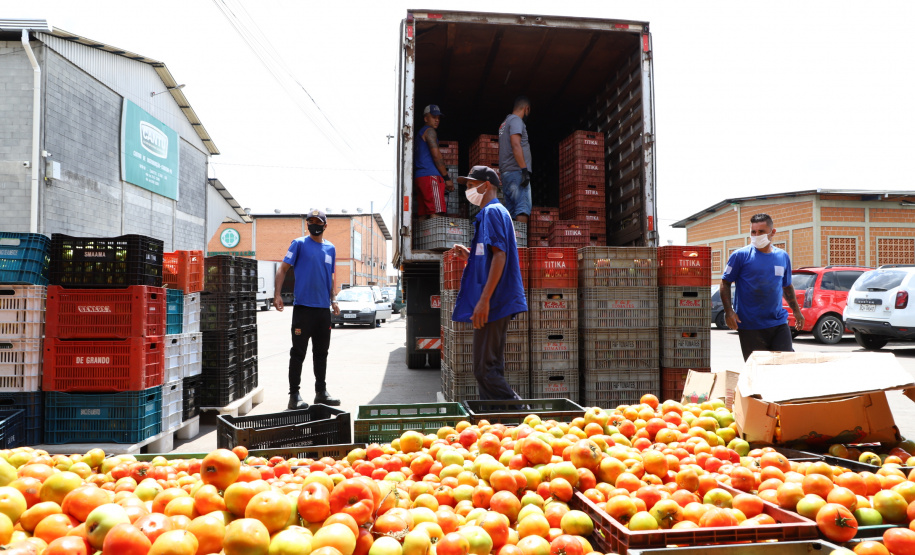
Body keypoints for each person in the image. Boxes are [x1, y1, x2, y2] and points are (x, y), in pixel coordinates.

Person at [450, 166, 528, 400]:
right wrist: (469, 256)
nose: (468, 190)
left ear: (486, 185)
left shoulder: (493, 212)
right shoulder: (492, 213)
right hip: (495, 299)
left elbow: (500, 256)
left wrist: (484, 301)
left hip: (495, 300)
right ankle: (494, 418)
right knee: (487, 368)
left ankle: (522, 414)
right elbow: (491, 255)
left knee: (486, 370)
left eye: (471, 185)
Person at [274, 210, 342, 409]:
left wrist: (334, 299)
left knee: (321, 353)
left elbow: (330, 276)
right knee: (298, 353)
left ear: (325, 225)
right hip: (303, 309)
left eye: (318, 222)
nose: (314, 225)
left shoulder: (330, 248)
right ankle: (294, 395)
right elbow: (282, 269)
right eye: (310, 221)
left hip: (322, 311)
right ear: (307, 224)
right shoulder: (299, 244)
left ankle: (321, 393)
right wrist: (277, 294)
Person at [720, 213, 805, 361]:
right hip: (750, 325)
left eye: (761, 232)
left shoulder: (782, 256)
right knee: (758, 367)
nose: (756, 236)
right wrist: (729, 312)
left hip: (778, 322)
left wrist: (797, 312)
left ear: (772, 232)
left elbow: (786, 286)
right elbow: (725, 283)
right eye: (753, 232)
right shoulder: (740, 256)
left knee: (785, 362)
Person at [414, 104, 454, 218]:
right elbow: (436, 155)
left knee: (423, 214)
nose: (437, 120)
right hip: (430, 176)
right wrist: (447, 178)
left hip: (420, 177)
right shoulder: (430, 131)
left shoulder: (419, 134)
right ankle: (437, 232)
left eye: (438, 118)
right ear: (426, 118)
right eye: (433, 117)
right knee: (436, 213)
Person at [498, 96, 532, 223]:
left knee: (511, 212)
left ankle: (513, 236)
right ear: (526, 109)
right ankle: (521, 236)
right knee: (522, 208)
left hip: (507, 173)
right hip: (517, 172)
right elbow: (515, 144)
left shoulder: (504, 123)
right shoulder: (516, 120)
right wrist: (524, 170)